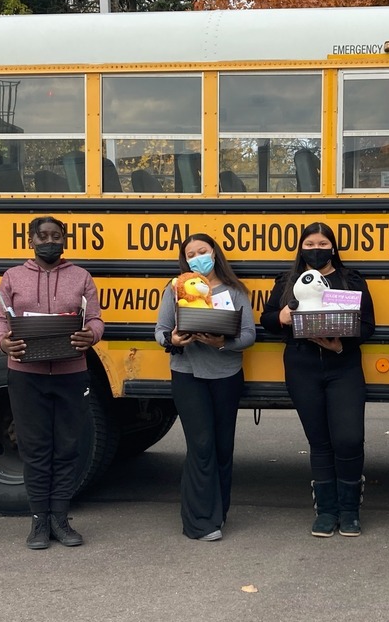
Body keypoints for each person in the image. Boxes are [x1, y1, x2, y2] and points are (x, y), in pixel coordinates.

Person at [0, 216, 104, 550]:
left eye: (56, 236)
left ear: (64, 239)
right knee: (35, 450)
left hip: (71, 373)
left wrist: (91, 335)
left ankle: (61, 519)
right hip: (26, 375)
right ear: (31, 240)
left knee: (67, 448)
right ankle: (39, 522)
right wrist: (2, 342)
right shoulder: (13, 277)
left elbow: (95, 318)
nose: (49, 241)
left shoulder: (81, 276)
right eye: (43, 236)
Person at [261, 223, 375, 537]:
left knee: (349, 438)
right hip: (302, 365)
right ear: (301, 247)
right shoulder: (287, 281)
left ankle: (350, 510)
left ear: (333, 247)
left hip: (344, 365)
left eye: (322, 242)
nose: (316, 248)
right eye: (310, 243)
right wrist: (281, 317)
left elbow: (366, 325)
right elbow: (268, 320)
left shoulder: (350, 280)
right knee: (320, 442)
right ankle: (326, 511)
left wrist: (342, 345)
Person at [154, 233, 256, 541]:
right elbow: (160, 331)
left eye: (203, 251)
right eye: (191, 254)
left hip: (226, 375)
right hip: (188, 374)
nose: (198, 257)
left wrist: (223, 341)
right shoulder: (174, 290)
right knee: (201, 446)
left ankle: (218, 513)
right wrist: (171, 340)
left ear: (215, 254)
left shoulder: (235, 291)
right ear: (184, 260)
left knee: (223, 447)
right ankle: (198, 521)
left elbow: (249, 335)